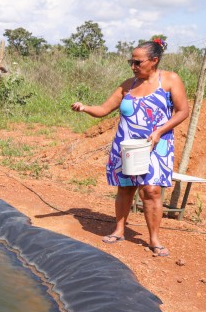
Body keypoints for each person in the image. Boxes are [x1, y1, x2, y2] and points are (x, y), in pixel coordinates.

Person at [71, 38, 189, 257]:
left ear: (154, 60)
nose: (133, 66)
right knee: (125, 188)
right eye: (131, 62)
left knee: (151, 190)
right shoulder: (128, 85)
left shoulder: (170, 80)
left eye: (137, 62)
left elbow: (183, 111)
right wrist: (85, 108)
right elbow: (103, 110)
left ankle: (154, 239)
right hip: (126, 145)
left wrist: (160, 131)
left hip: (156, 144)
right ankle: (119, 230)